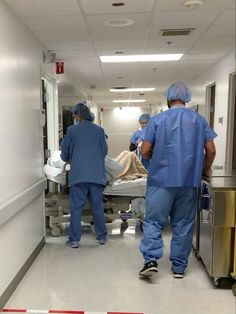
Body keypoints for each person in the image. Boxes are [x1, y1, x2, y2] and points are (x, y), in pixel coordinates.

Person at [139, 82, 217, 278]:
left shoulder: (157, 120)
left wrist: (152, 159)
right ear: (186, 98)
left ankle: (150, 260)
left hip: (160, 181)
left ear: (168, 99)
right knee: (183, 223)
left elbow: (145, 150)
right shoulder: (199, 121)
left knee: (154, 221)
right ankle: (179, 268)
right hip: (189, 181)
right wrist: (204, 171)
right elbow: (211, 150)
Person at [61, 103, 108, 248]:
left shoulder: (72, 130)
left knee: (76, 208)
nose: (74, 117)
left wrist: (73, 158)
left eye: (74, 115)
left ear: (77, 115)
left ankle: (74, 239)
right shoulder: (99, 131)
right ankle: (102, 237)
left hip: (79, 177)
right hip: (96, 176)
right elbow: (104, 151)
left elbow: (64, 155)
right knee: (97, 208)